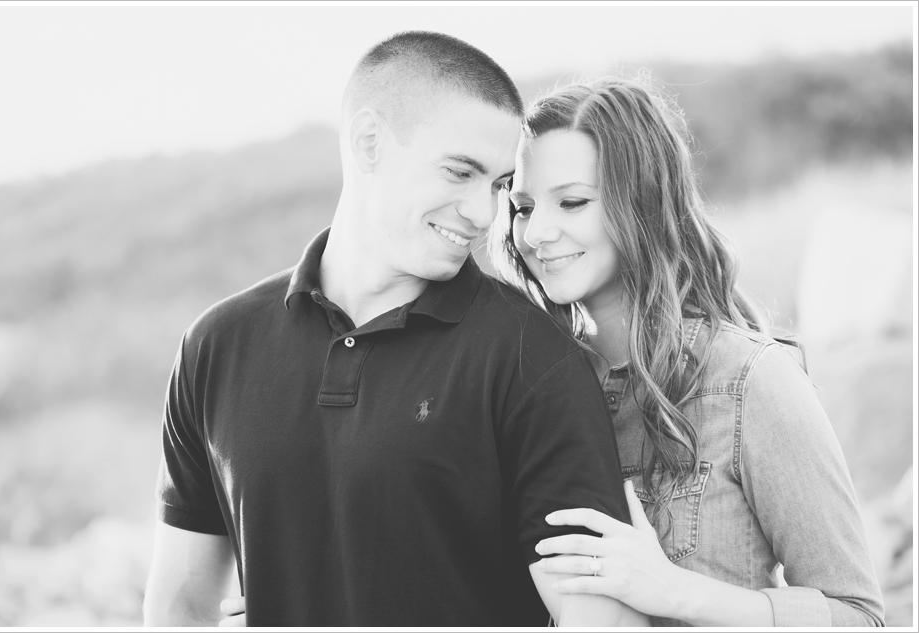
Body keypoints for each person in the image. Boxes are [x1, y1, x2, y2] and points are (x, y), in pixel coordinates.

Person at [142, 32, 646, 627]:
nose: (484, 214)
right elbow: (180, 607)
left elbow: (602, 622)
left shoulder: (532, 359)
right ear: (369, 141)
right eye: (460, 172)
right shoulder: (216, 345)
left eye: (499, 185)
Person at [487, 75, 886, 626]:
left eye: (572, 202)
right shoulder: (532, 389)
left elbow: (861, 616)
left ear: (643, 204)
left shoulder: (748, 380)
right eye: (524, 207)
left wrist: (674, 592)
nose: (536, 234)